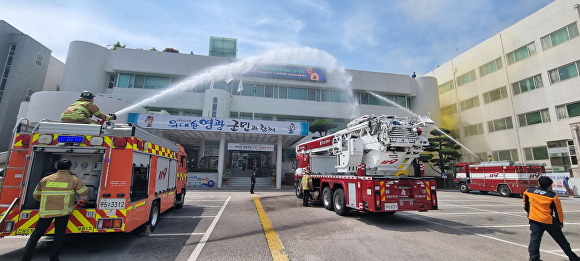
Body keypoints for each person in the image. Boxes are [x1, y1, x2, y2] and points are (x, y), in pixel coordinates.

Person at [21, 159, 89, 261]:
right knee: (59, 236)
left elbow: (36, 195)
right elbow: (84, 192)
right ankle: (53, 258)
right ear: (70, 168)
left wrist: (46, 201)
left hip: (46, 212)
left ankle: (25, 257)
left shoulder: (45, 179)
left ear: (57, 167)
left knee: (35, 235)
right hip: (63, 212)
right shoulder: (74, 179)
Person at [523, 176, 580, 261]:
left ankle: (534, 257)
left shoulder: (529, 191)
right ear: (549, 185)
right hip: (548, 220)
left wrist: (529, 212)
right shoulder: (552, 196)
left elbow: (526, 203)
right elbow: (558, 212)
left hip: (534, 219)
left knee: (535, 239)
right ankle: (573, 257)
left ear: (539, 183)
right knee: (561, 239)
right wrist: (560, 223)